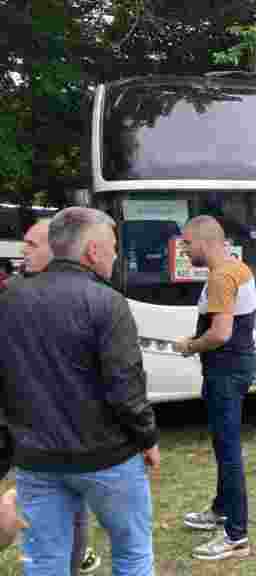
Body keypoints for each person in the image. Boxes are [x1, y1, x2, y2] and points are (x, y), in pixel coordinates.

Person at [0, 207, 159, 575]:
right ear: (93, 252)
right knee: (132, 553)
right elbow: (126, 385)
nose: (117, 255)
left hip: (37, 458)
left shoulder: (9, 301)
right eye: (114, 247)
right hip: (108, 457)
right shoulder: (107, 302)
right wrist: (147, 438)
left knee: (44, 560)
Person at [0, 218, 103, 575]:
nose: (22, 251)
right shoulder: (13, 293)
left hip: (64, 430)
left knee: (68, 506)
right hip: (21, 427)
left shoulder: (83, 296)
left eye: (31, 244)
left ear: (56, 248)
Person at [172, 215, 256, 561]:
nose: (185, 250)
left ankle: (236, 535)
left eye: (187, 244)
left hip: (226, 371)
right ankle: (221, 510)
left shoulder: (222, 277)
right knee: (226, 445)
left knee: (228, 451)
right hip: (234, 367)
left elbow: (220, 334)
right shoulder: (238, 267)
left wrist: (189, 345)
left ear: (205, 243)